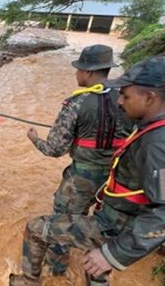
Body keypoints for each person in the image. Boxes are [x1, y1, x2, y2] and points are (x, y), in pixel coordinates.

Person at [10, 56, 165, 286]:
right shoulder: (152, 126)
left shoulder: (162, 143)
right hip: (113, 209)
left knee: (38, 228)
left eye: (126, 96)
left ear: (149, 98)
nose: (119, 101)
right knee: (94, 265)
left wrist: (115, 253)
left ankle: (32, 280)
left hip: (115, 223)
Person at [25, 44, 134, 276]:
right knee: (101, 224)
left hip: (82, 177)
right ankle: (95, 271)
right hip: (117, 179)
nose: (76, 74)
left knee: (64, 222)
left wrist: (35, 139)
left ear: (88, 72)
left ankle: (57, 270)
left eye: (78, 70)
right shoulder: (127, 99)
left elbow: (54, 149)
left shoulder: (75, 102)